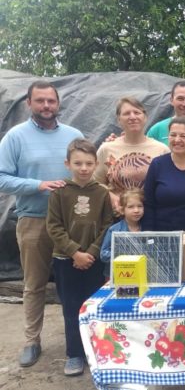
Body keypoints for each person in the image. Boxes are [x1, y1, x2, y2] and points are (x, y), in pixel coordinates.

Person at [0, 81, 84, 367]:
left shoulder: (73, 135)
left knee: (73, 284)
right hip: (33, 221)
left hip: (72, 223)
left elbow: (88, 166)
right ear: (29, 103)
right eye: (40, 101)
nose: (46, 106)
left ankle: (78, 341)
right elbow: (2, 177)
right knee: (34, 284)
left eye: (51, 101)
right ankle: (32, 340)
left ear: (58, 103)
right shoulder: (16, 137)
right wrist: (38, 185)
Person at [46, 139, 112, 376]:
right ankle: (75, 353)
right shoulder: (59, 192)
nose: (83, 168)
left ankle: (97, 350)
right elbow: (54, 226)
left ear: (96, 164)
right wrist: (74, 252)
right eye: (78, 163)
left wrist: (91, 252)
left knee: (94, 305)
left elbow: (107, 225)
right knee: (71, 306)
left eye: (88, 163)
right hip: (66, 260)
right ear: (68, 164)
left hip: (94, 261)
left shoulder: (102, 193)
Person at [94, 97, 169, 213]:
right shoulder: (106, 149)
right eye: (126, 113)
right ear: (119, 119)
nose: (132, 117)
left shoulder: (162, 150)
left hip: (152, 214)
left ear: (145, 117)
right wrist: (109, 195)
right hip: (116, 216)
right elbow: (94, 183)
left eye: (137, 112)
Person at [142, 117, 185, 232]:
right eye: (173, 135)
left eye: (183, 136)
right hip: (163, 235)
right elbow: (148, 203)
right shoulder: (157, 164)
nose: (177, 140)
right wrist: (148, 235)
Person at [101, 188, 144, 276]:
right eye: (131, 207)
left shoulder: (146, 229)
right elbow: (103, 254)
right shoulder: (114, 230)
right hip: (117, 275)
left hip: (141, 274)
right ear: (122, 210)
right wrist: (123, 255)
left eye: (140, 206)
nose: (136, 210)